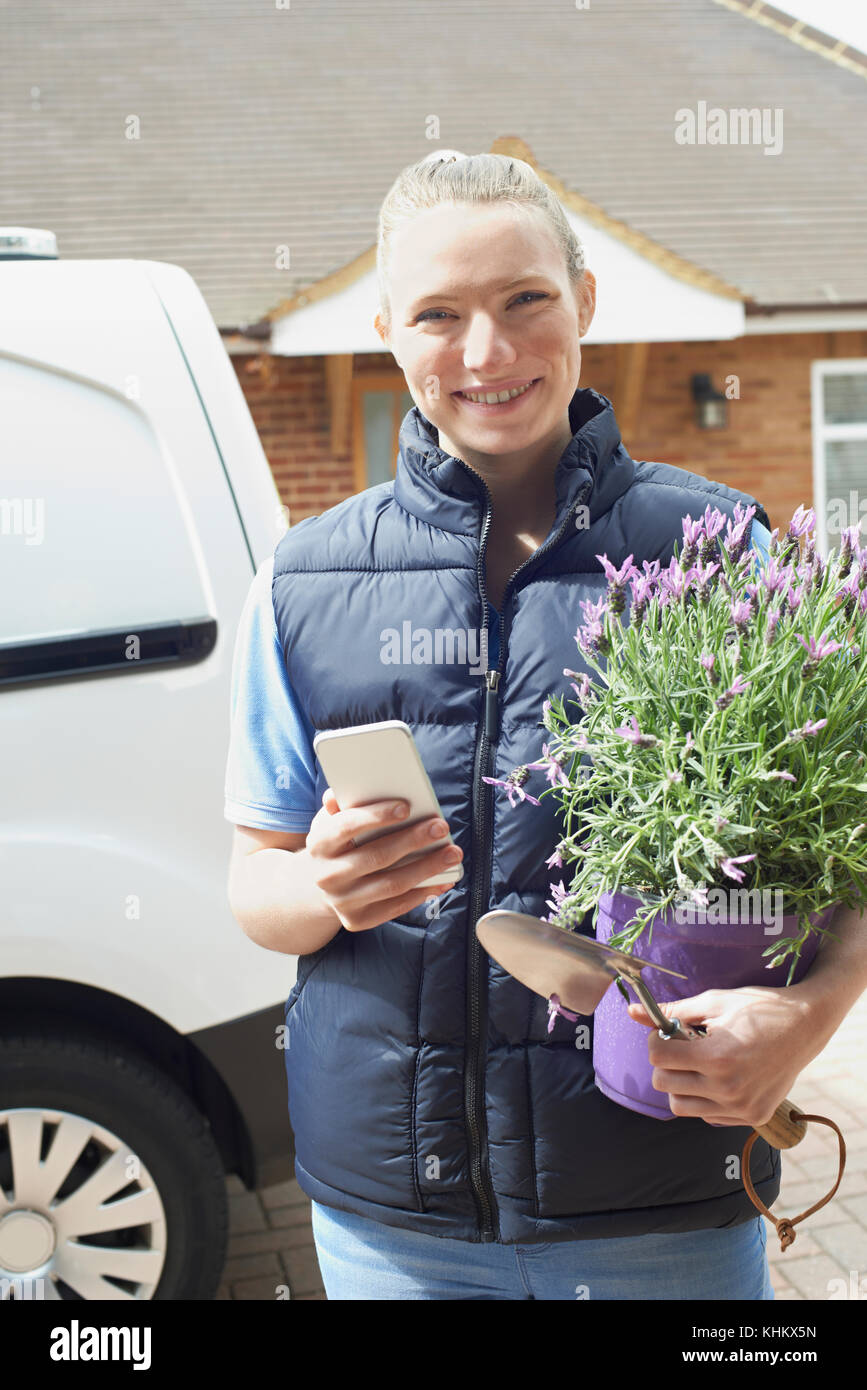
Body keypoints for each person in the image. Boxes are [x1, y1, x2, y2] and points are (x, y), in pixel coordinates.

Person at [225, 151, 861, 1300]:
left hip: (660, 1195)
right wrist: (324, 886)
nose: (488, 353)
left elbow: (847, 859)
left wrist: (805, 1017)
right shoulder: (304, 580)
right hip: (395, 1224)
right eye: (438, 314)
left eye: (526, 300)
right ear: (385, 329)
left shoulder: (724, 558)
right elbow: (254, 881)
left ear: (585, 300)